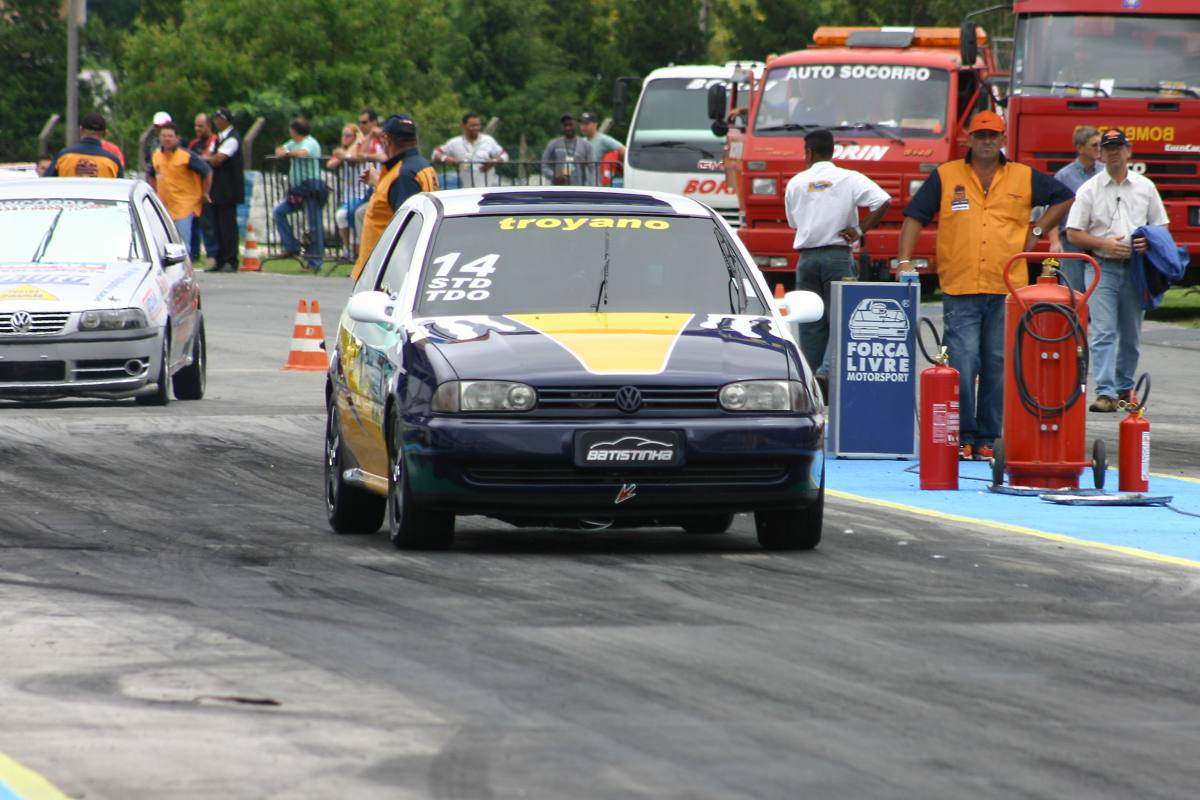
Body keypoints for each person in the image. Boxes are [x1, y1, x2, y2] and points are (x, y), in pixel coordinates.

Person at [897, 110, 1073, 460]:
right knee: (963, 361)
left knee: (997, 363)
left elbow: (1064, 197)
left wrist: (1036, 232)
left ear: (1003, 139)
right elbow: (915, 216)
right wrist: (904, 260)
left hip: (1008, 286)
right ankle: (963, 434)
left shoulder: (1023, 176)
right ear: (969, 140)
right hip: (961, 285)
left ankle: (989, 438)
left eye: (993, 135)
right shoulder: (947, 176)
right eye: (981, 135)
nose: (987, 141)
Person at [1066, 128, 1169, 412]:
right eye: (1108, 148)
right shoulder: (1089, 189)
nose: (1113, 153)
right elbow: (1073, 233)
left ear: (1128, 151)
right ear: (1101, 153)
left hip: (1136, 268)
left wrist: (1148, 243)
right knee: (1102, 331)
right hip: (1102, 266)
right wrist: (1103, 244)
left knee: (1132, 333)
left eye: (1118, 147)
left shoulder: (1145, 187)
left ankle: (1125, 389)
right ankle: (1106, 392)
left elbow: (1161, 226)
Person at [783, 128, 891, 398]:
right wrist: (860, 229)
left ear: (809, 152)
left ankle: (811, 382)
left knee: (810, 322)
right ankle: (827, 373)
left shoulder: (796, 182)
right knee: (841, 320)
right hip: (838, 257)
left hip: (806, 259)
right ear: (833, 151)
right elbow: (883, 201)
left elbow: (794, 222)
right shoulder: (849, 178)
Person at [351, 114, 438, 281]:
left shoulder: (403, 175)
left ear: (386, 139)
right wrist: (378, 183)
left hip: (385, 270)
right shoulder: (420, 166)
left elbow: (406, 226)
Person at [1048, 126, 1102, 290]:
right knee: (1073, 291)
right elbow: (1053, 210)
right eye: (1094, 145)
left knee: (1098, 291)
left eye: (1101, 144)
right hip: (1072, 242)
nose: (1099, 149)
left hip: (1098, 240)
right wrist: (1055, 242)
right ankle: (1073, 316)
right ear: (1080, 148)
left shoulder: (1104, 172)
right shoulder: (1064, 176)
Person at [272, 117, 327, 272]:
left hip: (311, 189)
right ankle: (291, 246)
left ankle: (315, 262)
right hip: (297, 190)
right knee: (278, 212)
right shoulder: (292, 142)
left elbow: (303, 153)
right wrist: (284, 152)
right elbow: (279, 150)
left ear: (294, 130)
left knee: (314, 225)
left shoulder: (310, 142)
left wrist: (287, 153)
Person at [147, 122, 213, 247]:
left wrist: (205, 193)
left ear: (177, 138)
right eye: (164, 136)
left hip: (184, 206)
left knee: (182, 244)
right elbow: (151, 173)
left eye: (170, 136)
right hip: (164, 206)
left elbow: (207, 172)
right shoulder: (156, 155)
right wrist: (154, 192)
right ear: (159, 137)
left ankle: (185, 265)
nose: (167, 139)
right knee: (163, 244)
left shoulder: (186, 156)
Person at [201, 107, 245, 273]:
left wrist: (209, 158)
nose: (216, 121)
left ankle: (231, 260)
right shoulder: (217, 138)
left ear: (226, 120)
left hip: (228, 190)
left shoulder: (233, 138)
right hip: (217, 189)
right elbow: (207, 154)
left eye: (219, 118)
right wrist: (208, 157)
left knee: (228, 226)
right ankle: (219, 259)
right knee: (216, 225)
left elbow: (218, 159)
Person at [326, 123, 370, 256]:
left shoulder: (359, 149)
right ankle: (347, 247)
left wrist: (356, 143)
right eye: (343, 135)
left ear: (355, 137)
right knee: (341, 216)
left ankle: (356, 248)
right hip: (348, 194)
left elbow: (353, 157)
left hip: (361, 192)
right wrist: (344, 155)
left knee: (351, 215)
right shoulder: (342, 151)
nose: (344, 138)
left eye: (348, 135)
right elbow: (331, 164)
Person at [432, 112, 508, 188]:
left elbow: (504, 155)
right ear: (463, 126)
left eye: (478, 125)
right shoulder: (454, 142)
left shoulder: (489, 140)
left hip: (486, 190)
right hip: (465, 191)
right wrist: (446, 158)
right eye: (472, 126)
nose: (476, 128)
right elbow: (435, 153)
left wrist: (493, 161)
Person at [44, 112, 124, 178]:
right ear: (105, 133)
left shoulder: (63, 157)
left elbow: (47, 185)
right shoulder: (113, 161)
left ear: (81, 130)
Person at [188, 112, 221, 263]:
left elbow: (208, 159)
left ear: (208, 126)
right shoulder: (193, 144)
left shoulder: (214, 140)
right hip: (193, 189)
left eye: (201, 126)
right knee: (193, 223)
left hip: (208, 188)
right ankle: (193, 254)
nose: (197, 129)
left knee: (208, 222)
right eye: (196, 126)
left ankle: (212, 253)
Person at [541, 113, 594, 186]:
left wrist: (593, 187)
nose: (567, 128)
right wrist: (554, 176)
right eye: (565, 125)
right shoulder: (553, 144)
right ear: (561, 126)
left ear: (576, 124)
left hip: (578, 190)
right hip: (558, 191)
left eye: (570, 125)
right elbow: (544, 166)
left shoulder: (586, 145)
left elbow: (593, 168)